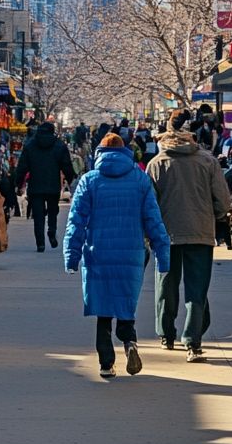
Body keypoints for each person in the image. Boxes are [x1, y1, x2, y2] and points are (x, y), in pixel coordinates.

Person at [64, 133, 171, 379]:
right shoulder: (140, 180)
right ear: (125, 152)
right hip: (132, 253)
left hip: (98, 253)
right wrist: (163, 256)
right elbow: (154, 221)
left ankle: (106, 363)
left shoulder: (89, 181)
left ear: (99, 153)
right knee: (125, 302)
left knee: (103, 310)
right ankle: (129, 340)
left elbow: (76, 222)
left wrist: (71, 256)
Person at [146, 108, 231, 362]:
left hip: (166, 234)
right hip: (201, 232)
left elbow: (149, 204)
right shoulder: (207, 161)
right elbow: (223, 202)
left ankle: (166, 334)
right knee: (197, 287)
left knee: (166, 284)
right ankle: (193, 340)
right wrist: (214, 217)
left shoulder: (156, 164)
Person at [14, 121, 77, 252]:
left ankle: (40, 243)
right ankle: (52, 231)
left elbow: (22, 167)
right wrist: (69, 178)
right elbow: (66, 165)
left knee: (38, 215)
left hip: (35, 185)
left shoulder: (30, 145)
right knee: (53, 211)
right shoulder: (59, 145)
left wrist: (18, 183)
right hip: (53, 184)